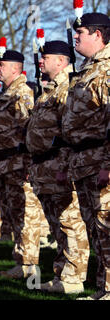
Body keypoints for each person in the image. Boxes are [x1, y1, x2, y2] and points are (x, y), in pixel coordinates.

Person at [26, 40, 89, 294]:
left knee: (69, 221)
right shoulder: (50, 91)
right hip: (45, 167)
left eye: (46, 57)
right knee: (56, 225)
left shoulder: (67, 88)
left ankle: (74, 277)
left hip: (60, 165)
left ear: (61, 61)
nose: (41, 61)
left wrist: (65, 166)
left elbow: (69, 132)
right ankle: (63, 274)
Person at [62, 12, 110, 300]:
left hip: (101, 160)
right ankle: (103, 290)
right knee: (96, 231)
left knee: (107, 228)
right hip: (83, 162)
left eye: (81, 32)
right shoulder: (87, 71)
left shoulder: (107, 71)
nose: (76, 36)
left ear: (99, 35)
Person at [0, 41, 42, 279]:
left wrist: (30, 162)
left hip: (19, 163)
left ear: (15, 68)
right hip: (4, 164)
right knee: (13, 214)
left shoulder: (23, 93)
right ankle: (21, 261)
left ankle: (29, 266)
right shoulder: (5, 94)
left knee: (25, 214)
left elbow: (31, 127)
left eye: (2, 65)